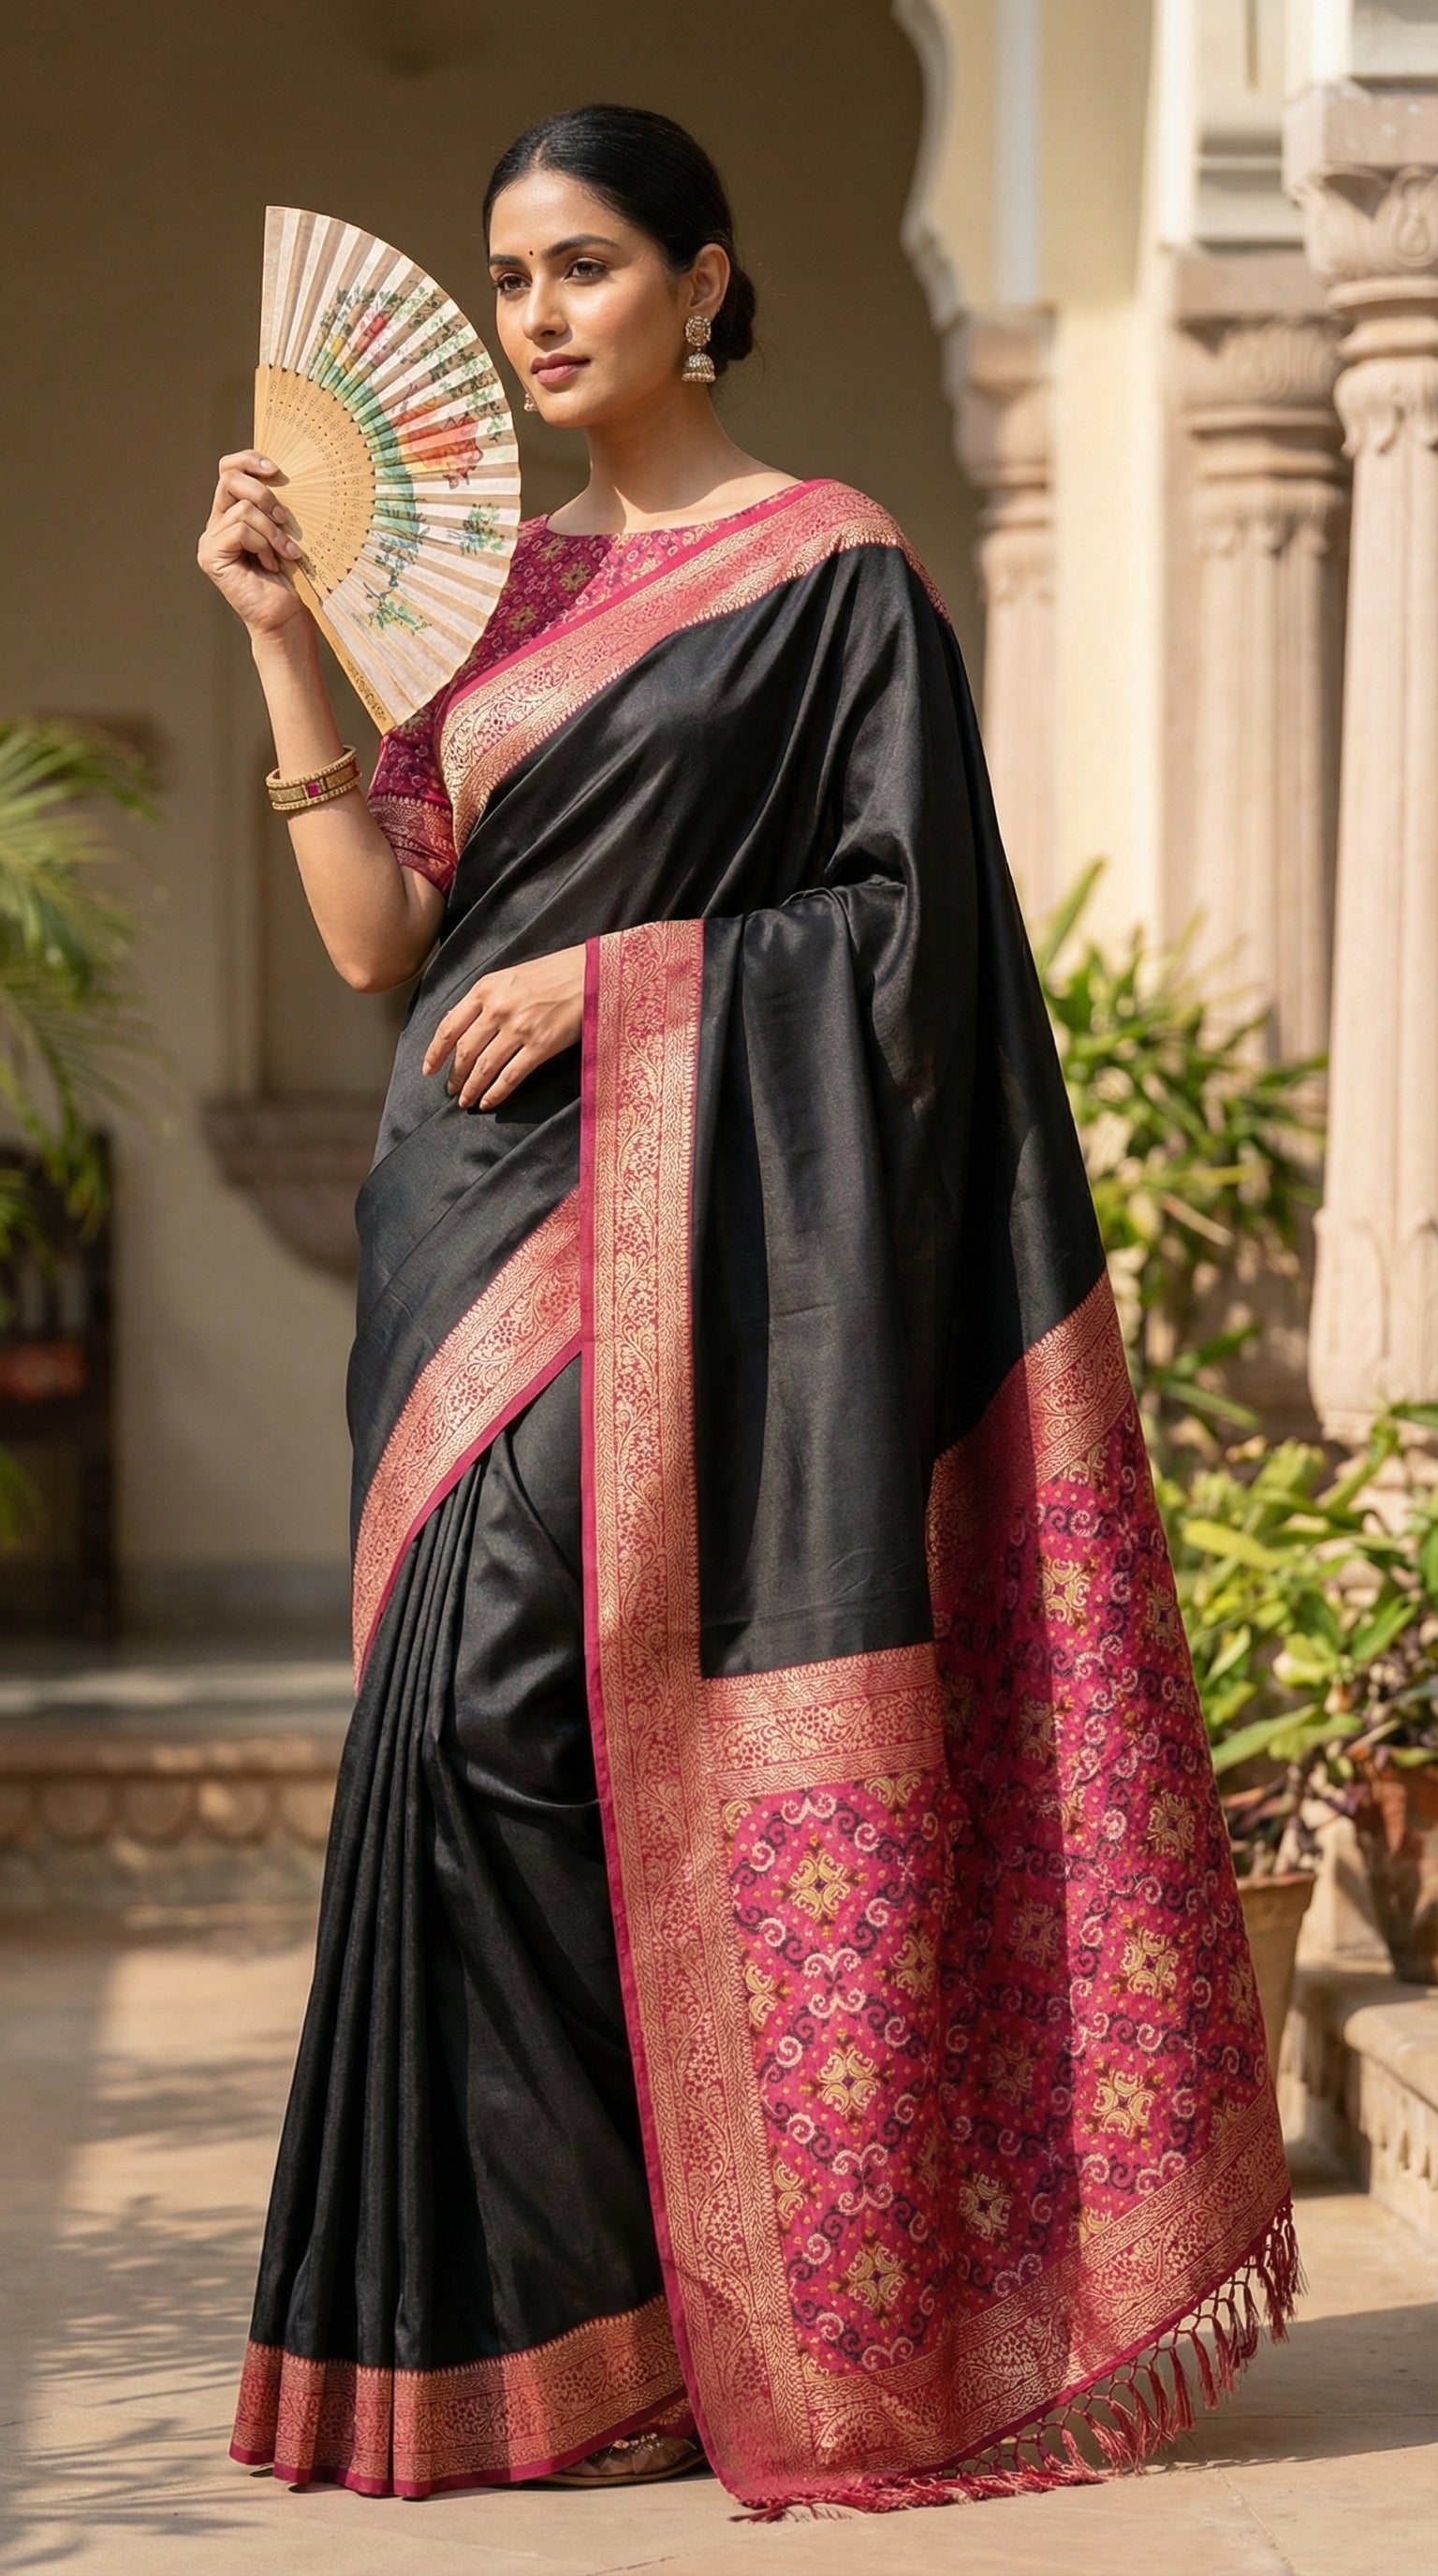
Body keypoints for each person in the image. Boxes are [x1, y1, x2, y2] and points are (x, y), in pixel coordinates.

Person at [198, 104, 1297, 2514]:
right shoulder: (463, 599)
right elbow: (383, 943)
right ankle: (577, 2332)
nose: (541, 314)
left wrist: (640, 979)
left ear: (707, 282)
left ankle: (725, 2305)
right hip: (460, 1225)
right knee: (469, 1753)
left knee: (534, 1699)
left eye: (587, 264)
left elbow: (921, 957)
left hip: (688, 1214)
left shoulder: (836, 583)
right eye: (508, 278)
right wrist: (288, 636)